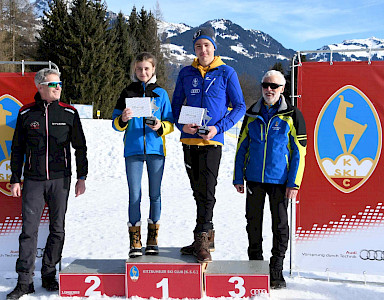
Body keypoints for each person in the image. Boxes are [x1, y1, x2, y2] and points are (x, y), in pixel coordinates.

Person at [6, 68, 88, 299]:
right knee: (28, 232)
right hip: (33, 181)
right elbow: (17, 150)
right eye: (53, 84)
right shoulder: (25, 113)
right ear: (40, 87)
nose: (58, 87)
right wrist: (15, 178)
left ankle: (49, 274)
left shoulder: (69, 112)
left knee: (57, 229)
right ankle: (24, 282)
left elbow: (80, 147)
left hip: (61, 180)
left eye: (59, 83)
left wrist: (82, 177)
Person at [172, 27, 246, 263]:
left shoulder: (226, 72)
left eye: (206, 46)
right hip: (189, 141)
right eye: (198, 47)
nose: (202, 50)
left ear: (214, 47)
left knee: (208, 191)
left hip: (212, 141)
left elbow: (240, 106)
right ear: (194, 49)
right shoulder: (186, 73)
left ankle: (202, 237)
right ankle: (204, 237)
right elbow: (175, 106)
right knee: (197, 191)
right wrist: (182, 125)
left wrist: (218, 128)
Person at [233, 70, 307, 289]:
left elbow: (299, 152)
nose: (269, 89)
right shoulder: (251, 113)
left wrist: (294, 182)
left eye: (274, 86)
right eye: (265, 85)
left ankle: (276, 270)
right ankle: (255, 266)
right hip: (254, 178)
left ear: (282, 89)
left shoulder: (293, 115)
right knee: (253, 224)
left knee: (280, 226)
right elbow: (241, 147)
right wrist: (238, 176)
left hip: (280, 181)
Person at [112, 52, 174, 258]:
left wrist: (160, 126)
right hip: (133, 151)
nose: (143, 72)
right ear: (134, 70)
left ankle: (153, 237)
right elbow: (115, 124)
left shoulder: (162, 93)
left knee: (155, 194)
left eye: (147, 68)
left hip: (156, 151)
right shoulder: (127, 92)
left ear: (153, 69)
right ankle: (135, 239)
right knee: (134, 195)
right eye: (139, 69)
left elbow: (170, 123)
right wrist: (123, 118)